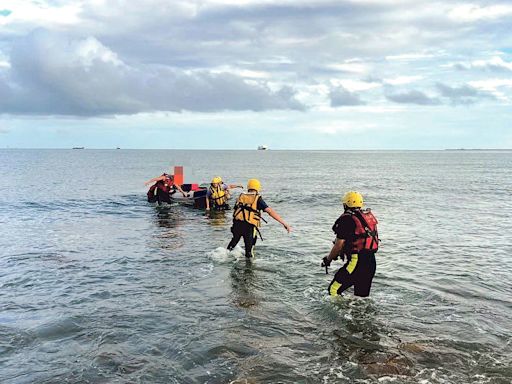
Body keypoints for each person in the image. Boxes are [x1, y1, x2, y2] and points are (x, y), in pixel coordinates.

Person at [321, 191, 379, 297]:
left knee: (333, 291)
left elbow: (338, 245)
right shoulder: (365, 218)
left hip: (356, 263)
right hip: (371, 263)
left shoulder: (347, 219)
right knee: (361, 298)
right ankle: (358, 314)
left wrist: (328, 259)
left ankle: (338, 314)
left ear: (345, 205)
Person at [227, 179, 291, 258]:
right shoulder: (257, 199)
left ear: (248, 187)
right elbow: (270, 211)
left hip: (237, 225)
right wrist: (284, 223)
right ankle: (249, 268)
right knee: (249, 251)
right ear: (258, 188)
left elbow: (236, 210)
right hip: (249, 227)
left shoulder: (241, 196)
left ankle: (225, 255)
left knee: (233, 243)